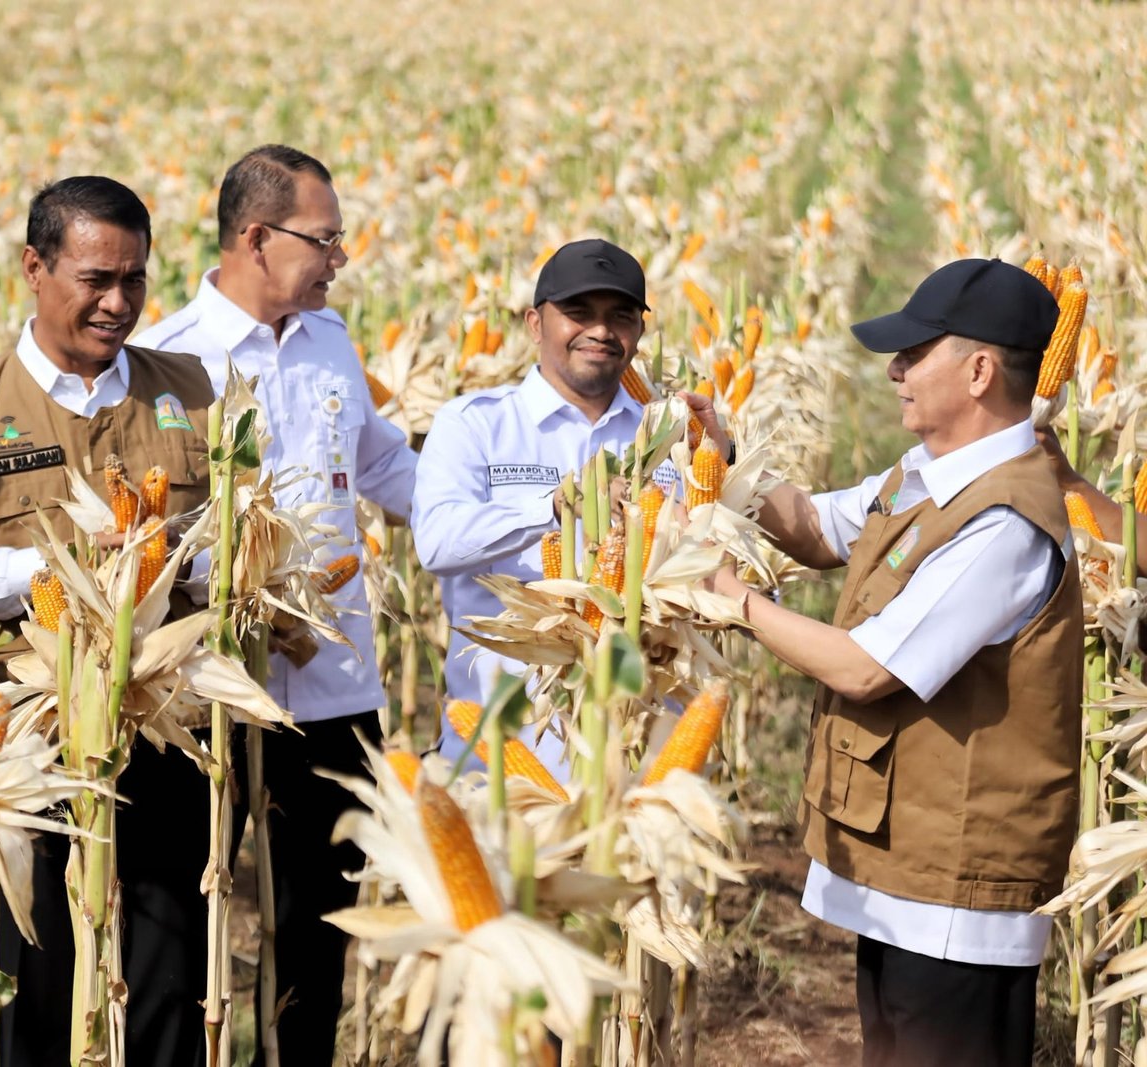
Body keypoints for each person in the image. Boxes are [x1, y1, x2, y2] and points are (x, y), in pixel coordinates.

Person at [693, 258, 1080, 1067]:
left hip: (959, 903)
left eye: (914, 352)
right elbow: (819, 527)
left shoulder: (1005, 523)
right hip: (908, 877)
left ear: (978, 371)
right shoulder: (926, 477)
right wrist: (725, 462)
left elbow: (869, 667)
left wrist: (739, 603)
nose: (895, 371)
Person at [0, 176, 220, 1067]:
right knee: (36, 997)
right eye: (94, 279)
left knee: (169, 986)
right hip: (23, 747)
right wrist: (63, 566)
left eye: (135, 280)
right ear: (35, 269)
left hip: (161, 731)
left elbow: (225, 538)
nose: (118, 303)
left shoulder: (189, 389)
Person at [136, 143, 417, 1064]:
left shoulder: (331, 340)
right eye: (325, 240)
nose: (339, 258)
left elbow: (377, 461)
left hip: (333, 685)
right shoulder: (170, 360)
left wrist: (491, 520)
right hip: (209, 689)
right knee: (185, 911)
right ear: (256, 238)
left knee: (317, 926)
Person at [411, 239, 651, 780]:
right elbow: (438, 542)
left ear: (638, 332)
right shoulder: (475, 424)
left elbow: (733, 581)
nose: (601, 331)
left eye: (621, 316)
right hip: (503, 758)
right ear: (535, 324)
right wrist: (558, 506)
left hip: (633, 762)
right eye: (578, 313)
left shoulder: (665, 439)